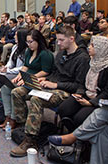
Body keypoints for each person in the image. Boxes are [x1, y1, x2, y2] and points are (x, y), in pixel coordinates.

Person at [10, 26, 90, 157]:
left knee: (36, 99)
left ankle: (31, 140)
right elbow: (53, 73)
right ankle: (24, 126)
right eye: (57, 40)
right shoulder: (61, 54)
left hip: (64, 91)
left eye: (61, 40)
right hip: (50, 85)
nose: (58, 43)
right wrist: (43, 79)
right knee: (17, 92)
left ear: (71, 39)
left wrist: (55, 84)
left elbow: (78, 85)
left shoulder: (82, 58)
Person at [58, 36, 108, 131]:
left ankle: (81, 139)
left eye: (93, 45)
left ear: (101, 49)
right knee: (63, 109)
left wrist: (91, 103)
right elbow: (82, 81)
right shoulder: (92, 62)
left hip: (100, 99)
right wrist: (79, 93)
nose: (89, 47)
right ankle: (74, 134)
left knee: (80, 118)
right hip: (86, 94)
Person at [5, 29, 54, 129]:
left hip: (38, 81)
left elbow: (46, 71)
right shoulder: (29, 51)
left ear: (38, 41)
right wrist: (20, 75)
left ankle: (20, 120)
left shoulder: (45, 54)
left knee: (16, 92)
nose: (29, 44)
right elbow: (25, 66)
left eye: (31, 42)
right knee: (5, 87)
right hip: (28, 79)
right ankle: (9, 116)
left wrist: (28, 78)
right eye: (27, 42)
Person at [0, 29, 29, 115]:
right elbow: (10, 62)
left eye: (16, 35)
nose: (14, 37)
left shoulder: (26, 50)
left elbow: (23, 67)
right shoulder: (15, 47)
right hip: (10, 71)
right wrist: (5, 67)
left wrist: (8, 70)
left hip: (17, 74)